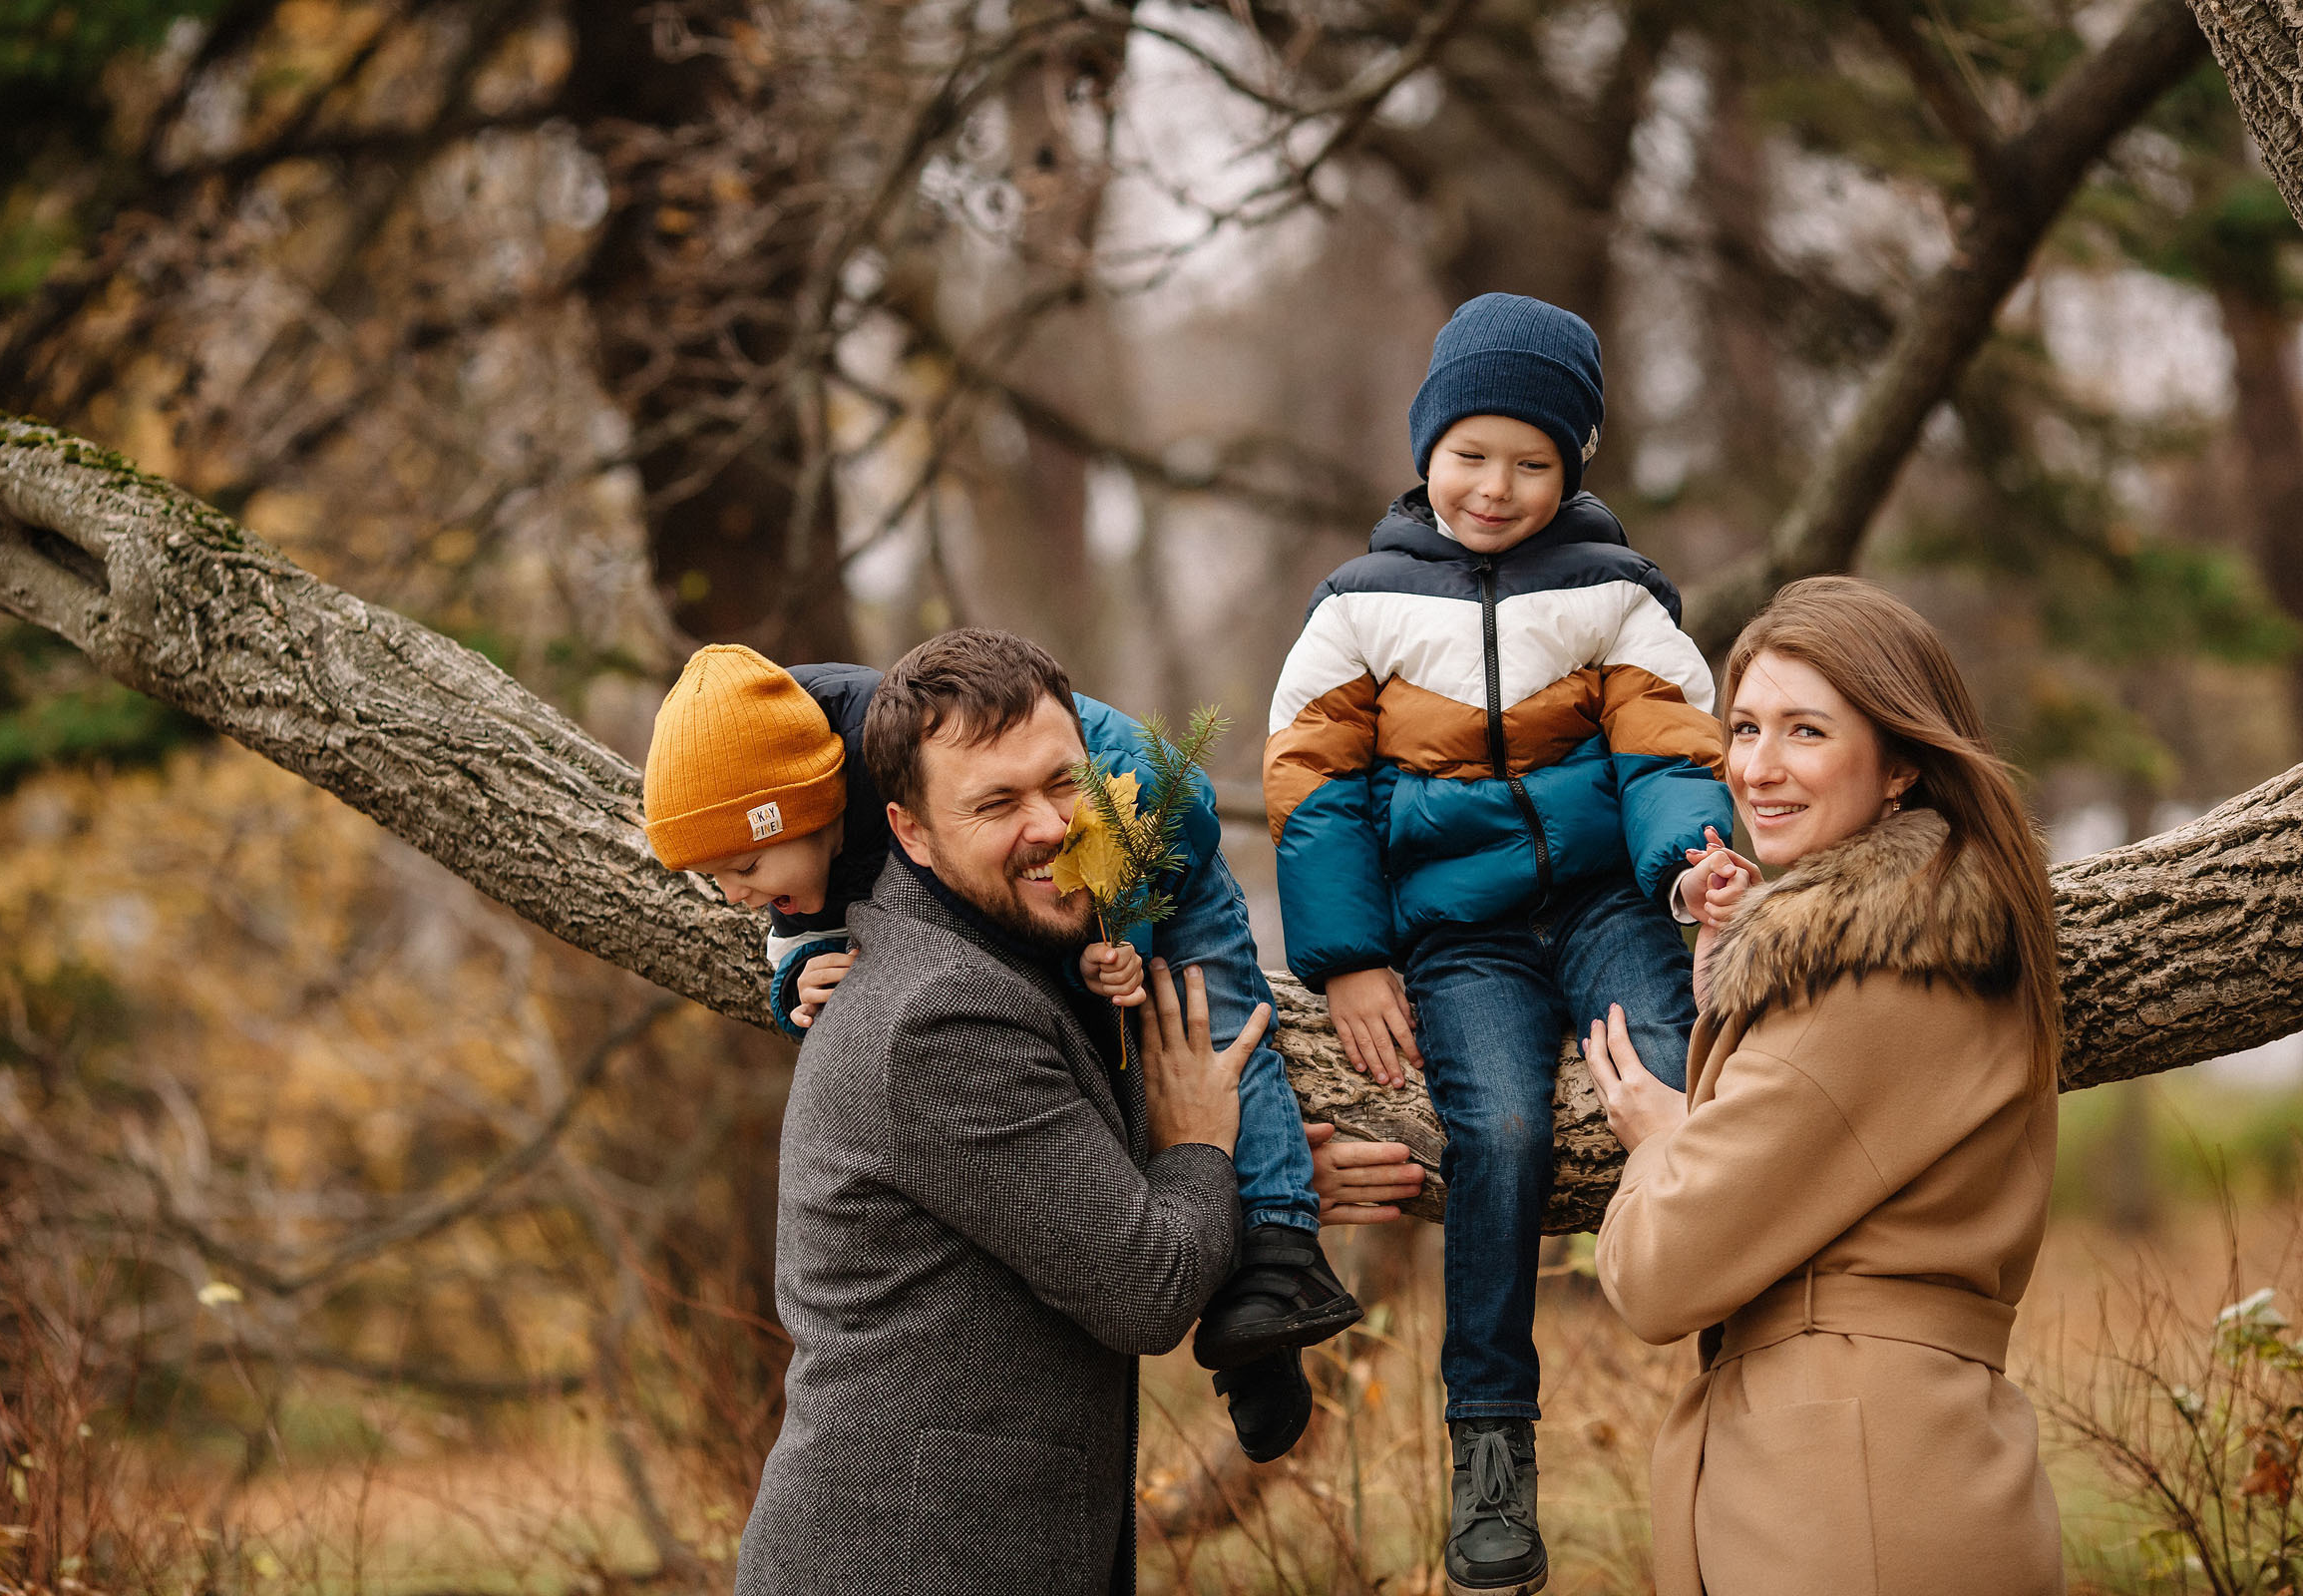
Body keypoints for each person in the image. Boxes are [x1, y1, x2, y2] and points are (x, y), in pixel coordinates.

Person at [1264, 291, 1732, 1595]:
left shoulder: (1613, 595)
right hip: (1461, 938)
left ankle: (1737, 1357)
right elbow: (1313, 789)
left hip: (1605, 910)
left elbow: (1671, 749)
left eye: (1533, 462)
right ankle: (1490, 1446)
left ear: (1573, 468)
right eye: (1472, 454)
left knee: (1672, 1077)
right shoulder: (1357, 608)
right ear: (1426, 450)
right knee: (1504, 1133)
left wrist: (1692, 867)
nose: (1496, 486)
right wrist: (1353, 957)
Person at [639, 635, 1356, 1459]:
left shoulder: (910, 765)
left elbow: (1053, 891)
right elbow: (797, 937)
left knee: (1208, 1022)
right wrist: (796, 974)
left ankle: (1278, 1254)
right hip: (1044, 880)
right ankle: (1248, 1294)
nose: (735, 895)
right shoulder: (807, 833)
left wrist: (1106, 944)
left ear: (812, 813)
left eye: (745, 865)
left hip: (1141, 831)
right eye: (717, 878)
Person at [731, 633, 1270, 1596]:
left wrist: (1249, 1164)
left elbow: (1050, 1177)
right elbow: (1145, 1283)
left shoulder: (988, 962)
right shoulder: (941, 1013)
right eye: (994, 803)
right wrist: (1200, 1155)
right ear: (909, 833)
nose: (1053, 827)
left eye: (1064, 784)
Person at [1583, 576, 2066, 1596]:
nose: (1757, 768)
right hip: (1887, 1461)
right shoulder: (1923, 933)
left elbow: (1659, 1273)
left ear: (1897, 764)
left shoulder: (1875, 971)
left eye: (1806, 731)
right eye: (1745, 727)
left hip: (1854, 1494)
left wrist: (1665, 1137)